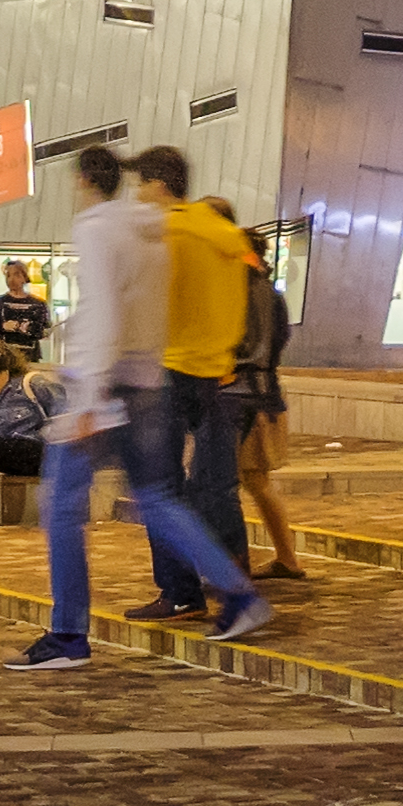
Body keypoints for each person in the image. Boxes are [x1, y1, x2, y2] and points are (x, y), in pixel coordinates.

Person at [13, 147, 260, 669]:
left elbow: (103, 312)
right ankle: (239, 595)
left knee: (61, 506)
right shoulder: (156, 232)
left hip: (106, 387)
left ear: (83, 181)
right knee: (158, 500)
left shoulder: (99, 229)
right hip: (150, 381)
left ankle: (68, 635)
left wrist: (87, 398)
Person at [137, 153, 261, 615]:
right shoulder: (226, 236)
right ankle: (232, 584)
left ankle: (185, 592)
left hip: (170, 368)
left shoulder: (171, 230)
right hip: (214, 373)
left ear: (160, 186)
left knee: (159, 487)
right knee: (214, 488)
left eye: (143, 185)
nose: (139, 195)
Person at [231, 232, 307, 578]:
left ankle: (284, 558)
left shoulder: (252, 289)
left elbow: (254, 346)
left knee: (253, 479)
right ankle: (284, 557)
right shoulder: (265, 288)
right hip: (263, 392)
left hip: (254, 396)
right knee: (252, 479)